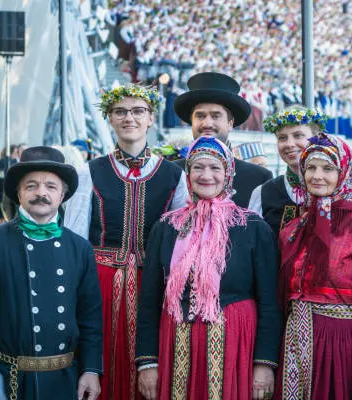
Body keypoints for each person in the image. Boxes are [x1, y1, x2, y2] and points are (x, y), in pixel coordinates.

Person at [64, 84, 189, 400]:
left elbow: (181, 241)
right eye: (120, 111)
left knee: (153, 370)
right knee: (101, 362)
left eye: (137, 111)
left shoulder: (175, 176)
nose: (128, 117)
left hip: (154, 285)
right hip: (101, 281)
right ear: (109, 118)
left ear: (150, 118)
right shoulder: (89, 172)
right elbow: (75, 239)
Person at [135, 136, 281, 400]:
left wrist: (264, 364)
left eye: (215, 168)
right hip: (176, 344)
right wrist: (147, 363)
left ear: (228, 173)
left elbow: (270, 301)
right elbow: (149, 301)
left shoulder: (252, 227)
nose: (206, 176)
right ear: (188, 173)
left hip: (235, 345)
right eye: (198, 167)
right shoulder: (167, 227)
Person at [276, 133, 352, 400]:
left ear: (344, 172)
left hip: (341, 348)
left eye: (328, 168)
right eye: (311, 168)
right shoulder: (295, 229)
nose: (317, 176)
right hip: (295, 346)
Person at [0, 146, 102, 400]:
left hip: (64, 380)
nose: (41, 193)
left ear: (63, 194)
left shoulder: (79, 248)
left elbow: (90, 319)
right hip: (8, 379)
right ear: (18, 193)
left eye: (50, 186)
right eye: (31, 186)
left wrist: (91, 369)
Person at [173, 72, 273, 208]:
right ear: (192, 121)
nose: (207, 123)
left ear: (230, 123)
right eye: (200, 116)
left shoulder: (258, 178)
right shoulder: (172, 173)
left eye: (216, 116)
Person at [248, 105, 328, 238]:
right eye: (282, 138)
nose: (289, 144)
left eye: (298, 135)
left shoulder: (335, 189)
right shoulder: (262, 193)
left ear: (317, 138)